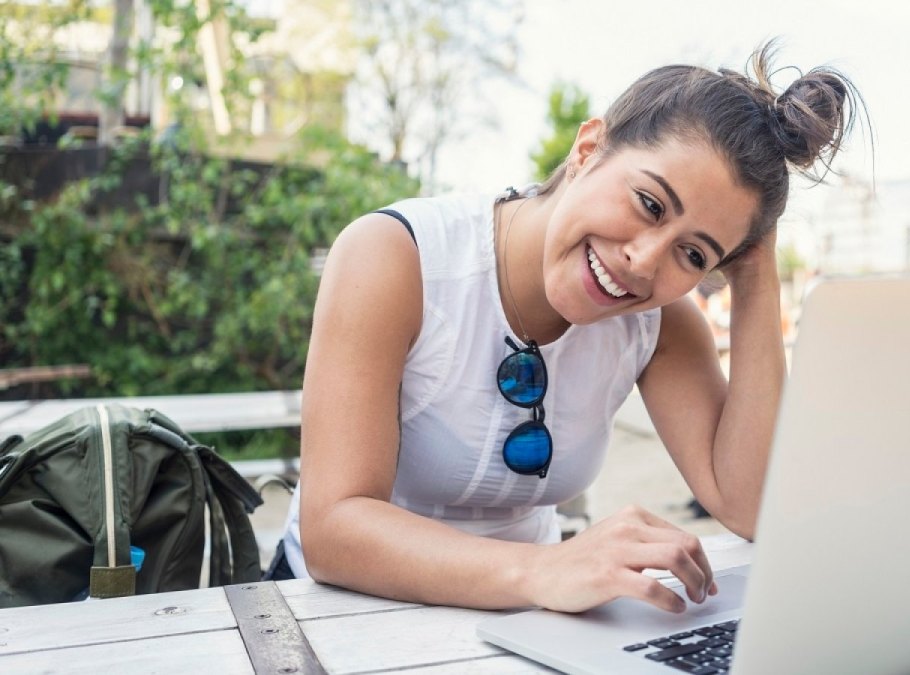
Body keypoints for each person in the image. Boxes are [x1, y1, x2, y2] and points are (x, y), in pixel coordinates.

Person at [270, 41, 860, 615]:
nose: (645, 261)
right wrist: (547, 567)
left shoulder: (659, 324)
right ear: (589, 147)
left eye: (695, 255)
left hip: (522, 621)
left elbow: (750, 505)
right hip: (336, 618)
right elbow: (333, 528)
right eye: (651, 204)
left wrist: (757, 275)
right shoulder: (399, 257)